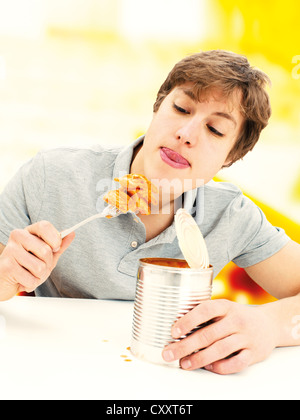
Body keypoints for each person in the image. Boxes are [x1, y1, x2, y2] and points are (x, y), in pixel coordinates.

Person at [0, 50, 299, 375]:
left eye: (215, 130)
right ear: (157, 108)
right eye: (181, 109)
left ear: (231, 157)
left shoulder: (232, 216)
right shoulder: (50, 175)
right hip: (51, 369)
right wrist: (5, 277)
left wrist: (270, 324)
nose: (186, 133)